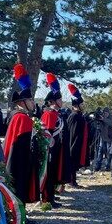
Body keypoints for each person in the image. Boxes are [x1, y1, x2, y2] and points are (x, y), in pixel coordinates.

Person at [4, 86, 40, 202]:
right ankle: (20, 218)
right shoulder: (22, 118)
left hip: (15, 159)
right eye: (30, 100)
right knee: (20, 187)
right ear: (22, 102)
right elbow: (22, 146)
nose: (32, 102)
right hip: (19, 161)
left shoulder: (17, 115)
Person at [40, 73, 65, 207]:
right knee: (49, 173)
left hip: (56, 149)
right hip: (50, 149)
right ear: (54, 101)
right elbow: (47, 134)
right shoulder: (49, 114)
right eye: (60, 99)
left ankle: (51, 195)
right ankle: (47, 198)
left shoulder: (55, 113)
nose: (62, 101)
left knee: (53, 172)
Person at [67, 83, 89, 188]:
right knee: (72, 163)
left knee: (75, 164)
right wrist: (73, 146)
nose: (83, 106)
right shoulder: (74, 116)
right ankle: (71, 181)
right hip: (74, 144)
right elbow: (73, 133)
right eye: (82, 104)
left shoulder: (79, 115)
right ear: (76, 106)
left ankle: (74, 180)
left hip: (79, 143)